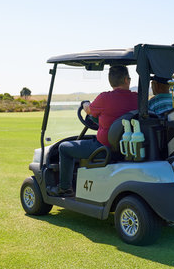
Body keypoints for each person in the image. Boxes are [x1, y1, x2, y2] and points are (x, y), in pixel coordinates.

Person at [48, 65, 138, 197]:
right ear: (126, 80)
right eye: (129, 78)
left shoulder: (105, 98)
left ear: (111, 81)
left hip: (103, 149)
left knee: (64, 148)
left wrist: (84, 103)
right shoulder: (137, 98)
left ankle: (65, 188)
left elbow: (89, 110)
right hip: (128, 147)